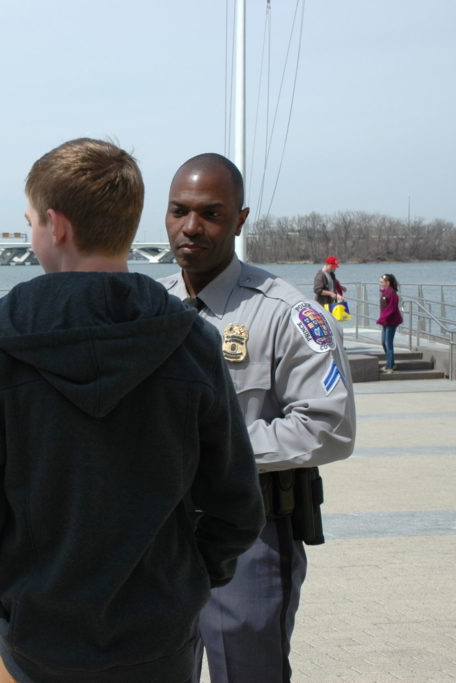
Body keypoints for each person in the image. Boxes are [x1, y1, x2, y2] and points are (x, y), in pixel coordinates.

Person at [0, 138, 265, 683]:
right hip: (159, 638)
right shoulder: (189, 340)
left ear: (56, 225)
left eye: (30, 222)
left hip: (37, 634)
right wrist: (186, 581)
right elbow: (236, 503)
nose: (30, 234)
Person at [159, 153, 357, 683]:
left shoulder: (288, 314)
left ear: (240, 220)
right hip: (160, 537)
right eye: (179, 211)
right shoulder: (150, 310)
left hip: (251, 536)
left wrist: (216, 449)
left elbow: (328, 426)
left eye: (211, 213)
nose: (191, 227)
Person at [377, 273, 403, 374]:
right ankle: (390, 363)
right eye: (380, 282)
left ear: (388, 282)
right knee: (384, 342)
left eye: (382, 282)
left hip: (392, 322)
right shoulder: (385, 293)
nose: (380, 283)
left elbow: (391, 309)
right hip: (385, 321)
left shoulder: (392, 293)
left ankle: (390, 367)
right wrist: (382, 319)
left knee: (389, 343)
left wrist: (381, 319)